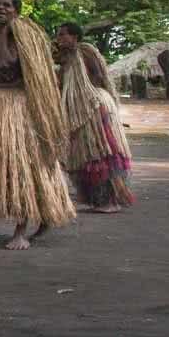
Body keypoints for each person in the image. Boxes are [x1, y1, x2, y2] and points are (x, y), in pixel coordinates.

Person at [0, 0, 75, 250]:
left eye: (7, 5)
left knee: (20, 165)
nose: (1, 8)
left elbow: (38, 74)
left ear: (16, 10)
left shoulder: (24, 36)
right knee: (5, 165)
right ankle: (43, 215)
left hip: (18, 107)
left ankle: (21, 230)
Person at [56, 23, 133, 213]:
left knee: (100, 151)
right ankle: (97, 199)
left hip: (95, 105)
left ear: (75, 37)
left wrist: (86, 94)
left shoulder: (86, 51)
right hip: (80, 109)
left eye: (63, 35)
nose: (59, 38)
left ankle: (110, 200)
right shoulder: (65, 59)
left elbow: (98, 75)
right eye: (58, 35)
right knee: (85, 154)